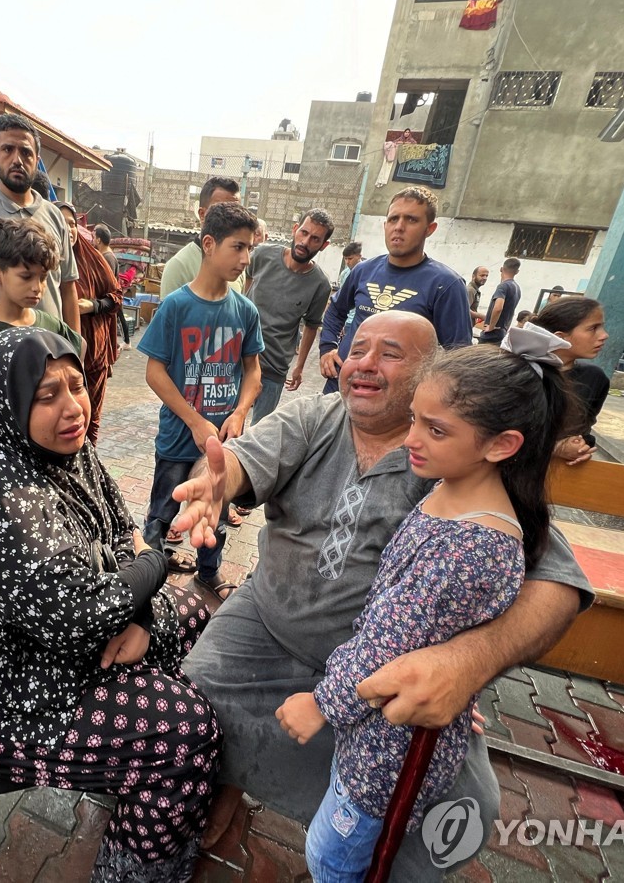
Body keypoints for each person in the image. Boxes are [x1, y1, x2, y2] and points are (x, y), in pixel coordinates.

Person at [171, 311, 591, 877]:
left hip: (380, 673)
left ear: (431, 372)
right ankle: (227, 783)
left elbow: (560, 583)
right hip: (266, 625)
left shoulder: (463, 462)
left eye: (390, 353)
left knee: (465, 808)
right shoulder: (314, 416)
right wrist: (216, 484)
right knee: (183, 710)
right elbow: (241, 461)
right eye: (356, 347)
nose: (363, 364)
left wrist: (467, 663)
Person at [0, 327, 221, 882]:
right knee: (186, 730)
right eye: (47, 395)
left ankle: (134, 779)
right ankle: (133, 868)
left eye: (77, 386)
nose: (73, 407)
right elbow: (83, 612)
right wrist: (157, 566)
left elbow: (122, 532)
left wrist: (139, 612)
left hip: (58, 637)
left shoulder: (64, 449)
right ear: (7, 400)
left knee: (192, 617)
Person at [277, 331, 569, 882]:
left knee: (335, 853)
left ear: (502, 445)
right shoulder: (451, 486)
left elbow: (385, 649)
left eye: (435, 429)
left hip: (389, 746)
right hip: (381, 727)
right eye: (414, 418)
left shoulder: (471, 546)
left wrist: (321, 704)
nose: (411, 438)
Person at [139, 202, 264, 597]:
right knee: (163, 510)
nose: (245, 259)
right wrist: (194, 420)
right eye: (237, 247)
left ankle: (208, 573)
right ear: (209, 244)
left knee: (217, 514)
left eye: (249, 249)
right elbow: (154, 373)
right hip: (179, 438)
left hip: (221, 444)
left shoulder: (245, 311)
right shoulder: (176, 306)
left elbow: (253, 372)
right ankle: (147, 573)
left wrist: (241, 412)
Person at [319, 186, 471, 394]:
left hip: (393, 402)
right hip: (341, 385)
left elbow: (459, 358)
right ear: (385, 225)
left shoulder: (446, 285)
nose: (399, 227)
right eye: (393, 219)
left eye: (411, 220)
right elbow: (336, 311)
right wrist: (327, 347)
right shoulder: (364, 271)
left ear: (430, 228)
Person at [0, 217, 81, 433]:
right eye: (26, 277)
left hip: (46, 439)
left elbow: (78, 360)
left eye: (43, 277)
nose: (37, 287)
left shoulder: (53, 328)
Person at [0, 114, 80, 332]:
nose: (17, 160)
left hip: (50, 353)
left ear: (36, 158)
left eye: (25, 152)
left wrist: (75, 352)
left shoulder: (55, 216)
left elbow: (68, 288)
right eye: (7, 149)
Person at [246, 208, 333, 423]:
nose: (305, 242)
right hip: (240, 357)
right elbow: (245, 288)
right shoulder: (262, 255)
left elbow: (312, 325)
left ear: (324, 245)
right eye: (303, 233)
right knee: (225, 422)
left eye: (315, 239)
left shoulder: (320, 285)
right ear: (295, 230)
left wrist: (300, 366)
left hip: (274, 367)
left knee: (259, 432)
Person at [56, 202, 124, 443]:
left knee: (91, 417)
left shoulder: (92, 258)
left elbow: (116, 297)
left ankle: (89, 466)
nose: (69, 229)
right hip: (58, 357)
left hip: (94, 355)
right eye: (62, 223)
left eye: (72, 223)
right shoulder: (44, 261)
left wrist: (92, 306)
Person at [529, 297, 611, 465]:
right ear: (561, 337)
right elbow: (493, 436)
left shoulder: (595, 378)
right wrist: (555, 449)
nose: (604, 335)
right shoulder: (523, 374)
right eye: (593, 328)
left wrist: (581, 448)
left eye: (602, 326)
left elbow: (583, 430)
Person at [160, 176, 246, 297]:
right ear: (202, 214)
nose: (231, 219)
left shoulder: (238, 265)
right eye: (221, 210)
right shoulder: (179, 266)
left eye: (236, 211)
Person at [479, 257, 522, 344]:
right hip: (502, 331)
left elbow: (498, 308)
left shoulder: (503, 286)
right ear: (517, 272)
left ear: (501, 269)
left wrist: (491, 327)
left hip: (492, 333)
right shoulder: (517, 288)